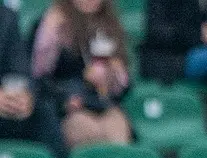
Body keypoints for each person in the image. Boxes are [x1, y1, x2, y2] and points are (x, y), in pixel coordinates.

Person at [31, 0, 132, 149]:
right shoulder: (53, 25)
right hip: (67, 108)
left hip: (103, 104)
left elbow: (124, 88)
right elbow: (37, 77)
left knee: (116, 128)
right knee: (85, 129)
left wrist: (115, 73)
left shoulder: (109, 26)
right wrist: (65, 99)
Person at [0, 2, 67, 158]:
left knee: (43, 111)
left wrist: (25, 96)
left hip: (3, 104)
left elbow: (19, 69)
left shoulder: (6, 17)